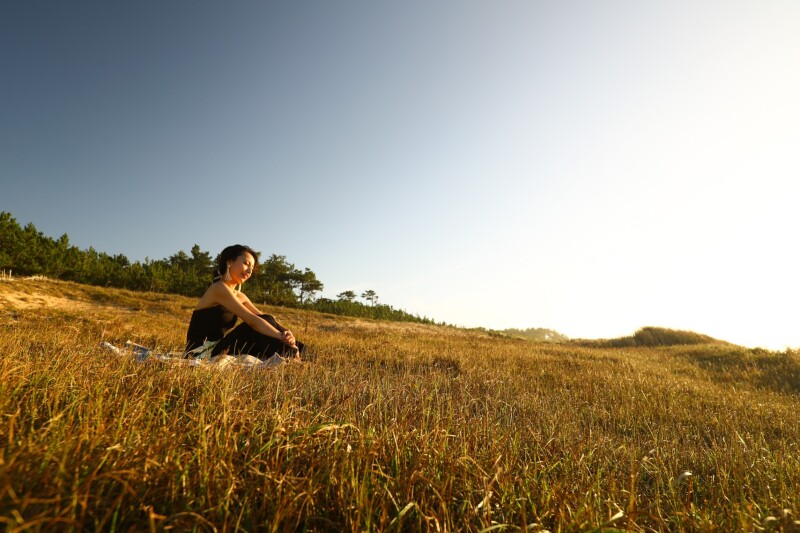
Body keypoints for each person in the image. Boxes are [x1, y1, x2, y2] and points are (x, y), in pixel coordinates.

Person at [185, 244, 304, 361]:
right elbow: (252, 320)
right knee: (250, 328)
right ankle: (291, 354)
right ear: (229, 262)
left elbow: (263, 317)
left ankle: (298, 352)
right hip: (202, 352)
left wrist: (286, 331)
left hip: (219, 346)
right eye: (246, 263)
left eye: (252, 267)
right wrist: (281, 336)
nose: (249, 270)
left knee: (265, 321)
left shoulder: (240, 296)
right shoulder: (218, 288)